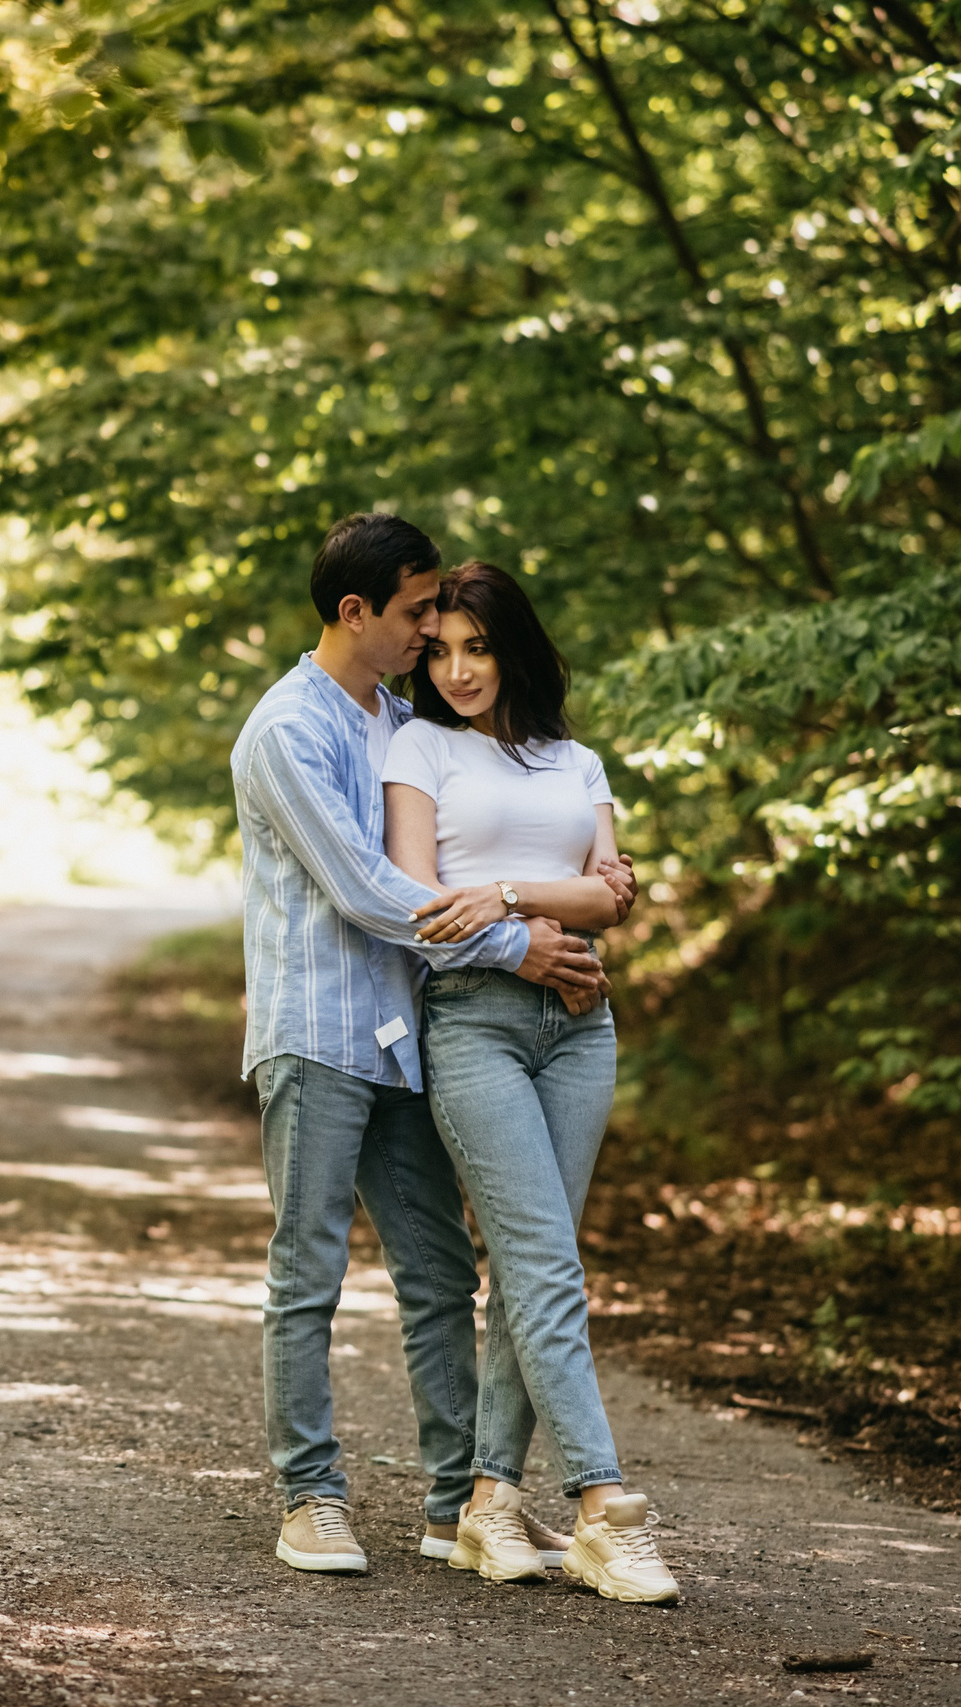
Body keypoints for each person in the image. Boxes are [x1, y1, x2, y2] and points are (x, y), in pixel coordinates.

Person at [228, 513, 618, 1576]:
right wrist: (519, 943)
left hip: (405, 1036)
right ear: (355, 613)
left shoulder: (396, 721)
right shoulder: (285, 731)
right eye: (413, 615)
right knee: (306, 1271)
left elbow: (452, 850)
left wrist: (581, 887)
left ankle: (455, 1506)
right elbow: (365, 889)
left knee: (441, 1276)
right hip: (315, 1036)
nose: (429, 632)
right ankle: (308, 1498)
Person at [380, 560, 681, 1605]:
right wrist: (526, 925)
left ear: (513, 648)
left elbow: (611, 899)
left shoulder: (575, 759)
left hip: (580, 1025)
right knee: (546, 1262)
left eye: (478, 647)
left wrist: (502, 892)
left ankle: (491, 1500)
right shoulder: (417, 747)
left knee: (529, 1267)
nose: (458, 670)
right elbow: (422, 902)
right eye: (442, 650)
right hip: (471, 1026)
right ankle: (604, 1507)